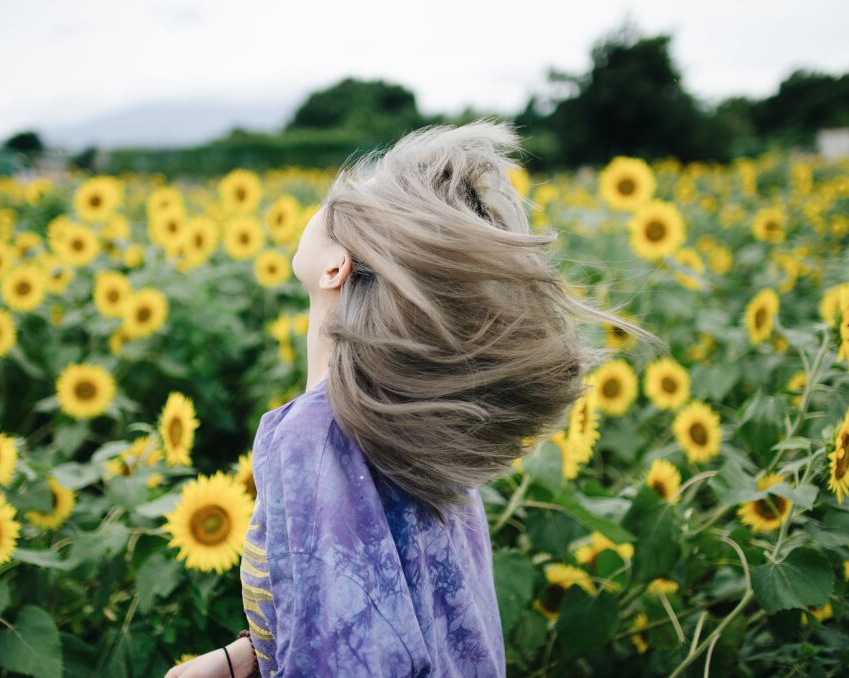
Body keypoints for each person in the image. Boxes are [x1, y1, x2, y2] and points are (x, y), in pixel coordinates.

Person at [166, 118, 661, 678]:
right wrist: (245, 658)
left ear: (335, 268)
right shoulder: (418, 424)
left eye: (338, 203)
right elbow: (392, 608)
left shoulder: (318, 437)